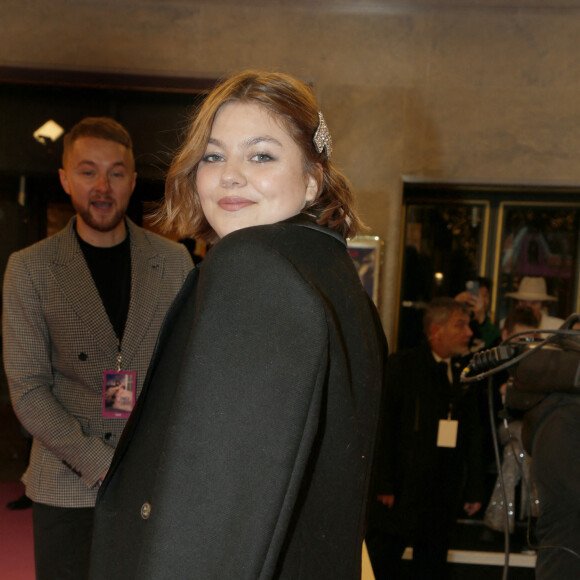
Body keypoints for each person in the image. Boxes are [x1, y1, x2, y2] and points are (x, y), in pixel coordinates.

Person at [89, 71, 388, 580]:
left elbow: (215, 515)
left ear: (314, 178)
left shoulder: (252, 269)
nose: (229, 175)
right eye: (212, 155)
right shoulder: (334, 278)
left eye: (261, 155)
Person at [2, 117, 194, 580]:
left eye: (116, 172)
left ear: (132, 180)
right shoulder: (30, 269)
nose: (102, 186)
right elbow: (28, 391)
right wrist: (103, 464)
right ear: (66, 179)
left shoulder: (174, 263)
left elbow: (186, 376)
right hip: (65, 487)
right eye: (88, 171)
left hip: (149, 484)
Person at [366, 297, 483, 580]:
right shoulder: (402, 367)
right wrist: (383, 483)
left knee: (431, 568)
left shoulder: (464, 372)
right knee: (384, 565)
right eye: (461, 325)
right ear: (436, 330)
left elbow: (473, 436)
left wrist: (474, 489)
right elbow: (382, 427)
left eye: (469, 325)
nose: (469, 333)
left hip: (440, 496)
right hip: (399, 494)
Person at [482, 307, 540, 537]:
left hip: (523, 436)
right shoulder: (492, 359)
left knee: (516, 454)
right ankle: (534, 515)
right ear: (506, 333)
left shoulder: (536, 361)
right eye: (520, 338)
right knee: (523, 439)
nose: (525, 344)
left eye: (530, 339)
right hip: (500, 427)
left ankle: (497, 521)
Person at [455, 276, 501, 350]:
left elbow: (495, 344)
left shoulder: (490, 326)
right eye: (477, 295)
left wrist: (481, 318)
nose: (481, 300)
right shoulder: (460, 320)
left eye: (485, 295)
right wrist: (455, 305)